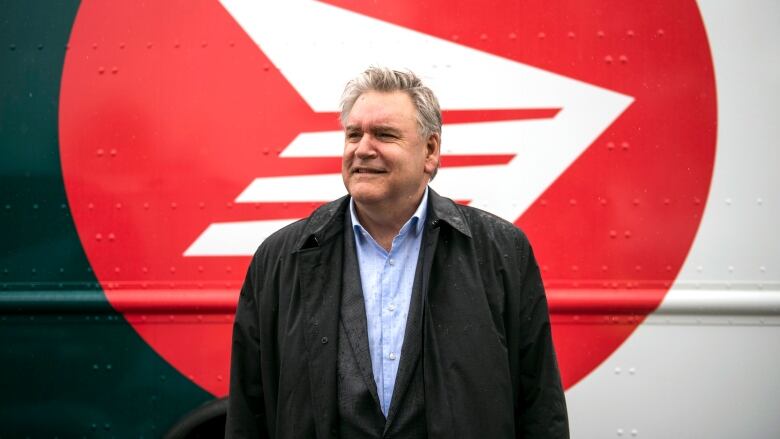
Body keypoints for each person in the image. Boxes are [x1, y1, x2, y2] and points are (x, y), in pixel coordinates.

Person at [225, 67, 569, 438]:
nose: (362, 148)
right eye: (353, 134)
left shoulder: (501, 252)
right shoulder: (279, 258)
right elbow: (250, 410)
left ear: (430, 151)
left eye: (384, 135)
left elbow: (539, 403)